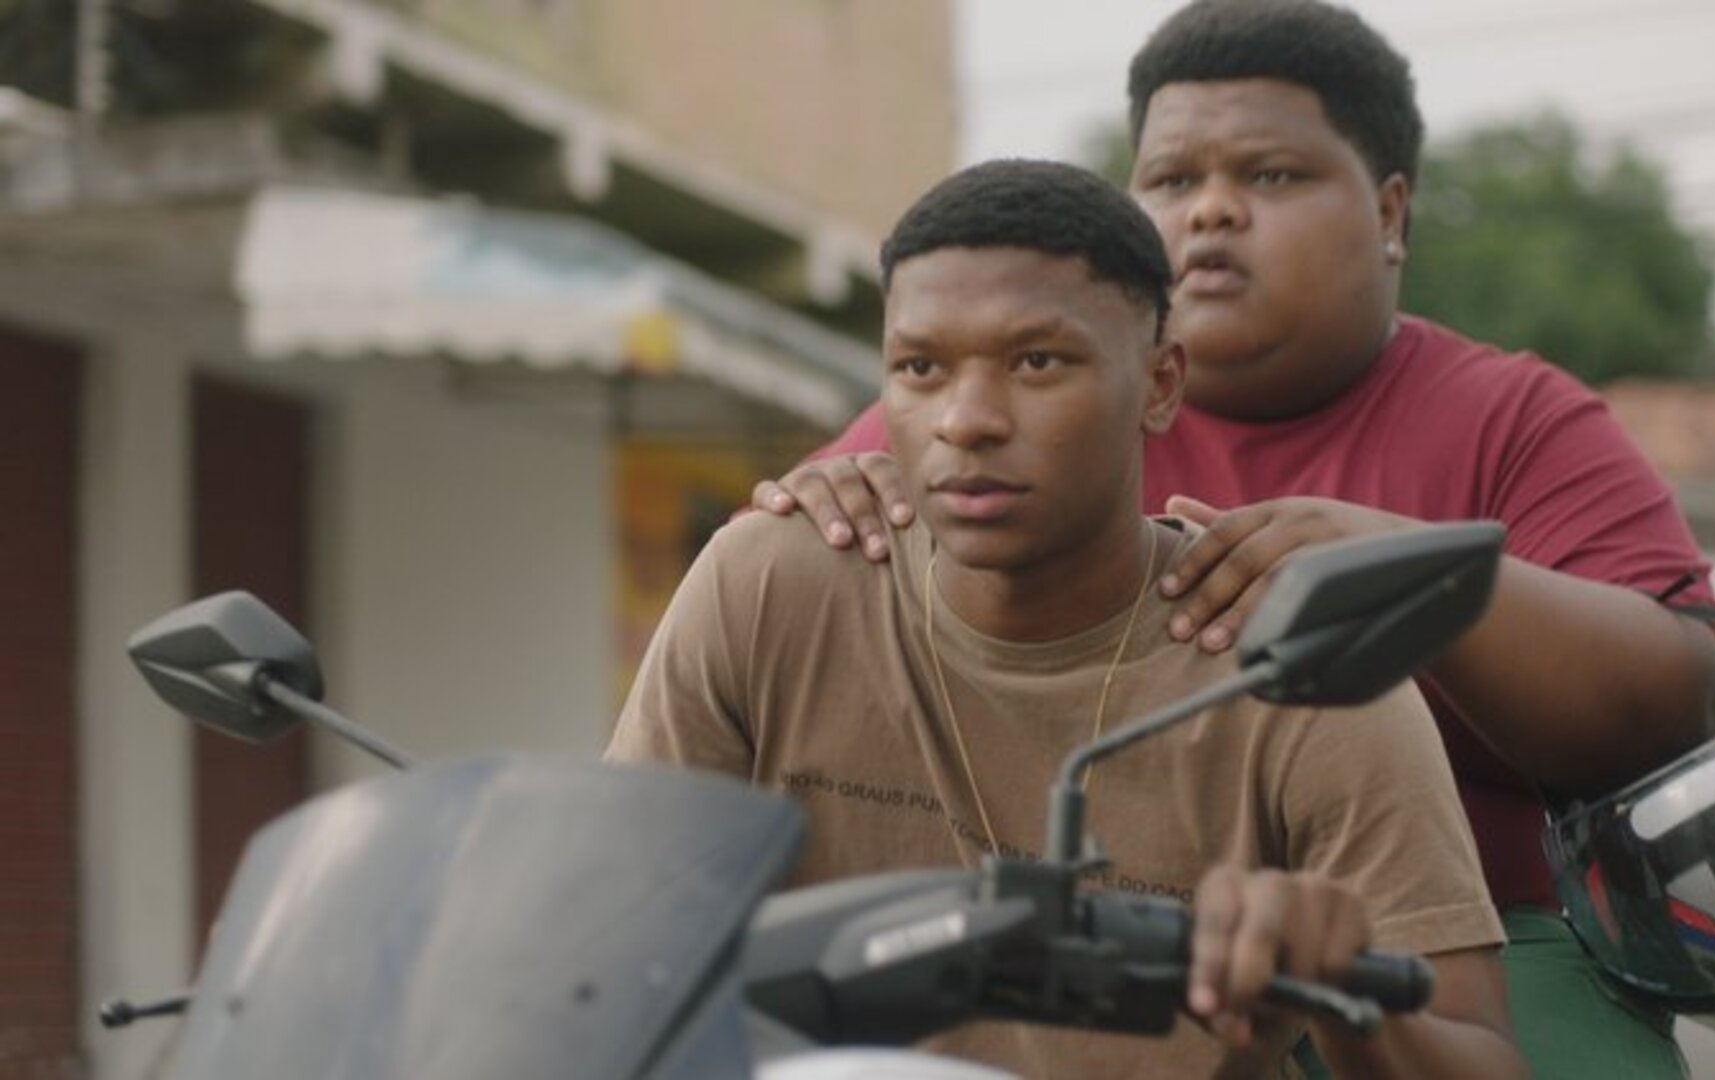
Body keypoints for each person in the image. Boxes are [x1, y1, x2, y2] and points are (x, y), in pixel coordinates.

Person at [751, 2, 1715, 1076]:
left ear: (1389, 212)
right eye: (1172, 179)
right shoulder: (989, 413)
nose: (1212, 211)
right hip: (1077, 937)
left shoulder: (1513, 418)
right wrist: (823, 501)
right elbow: (799, 577)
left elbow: (1672, 703)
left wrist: (1408, 577)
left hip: (1462, 955)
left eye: (1269, 175)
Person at [607, 159, 1525, 1079]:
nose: (965, 420)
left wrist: (1341, 999)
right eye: (920, 367)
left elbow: (1479, 1054)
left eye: (1036, 362)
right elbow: (606, 945)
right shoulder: (771, 583)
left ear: (1160, 385)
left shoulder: (1294, 665)